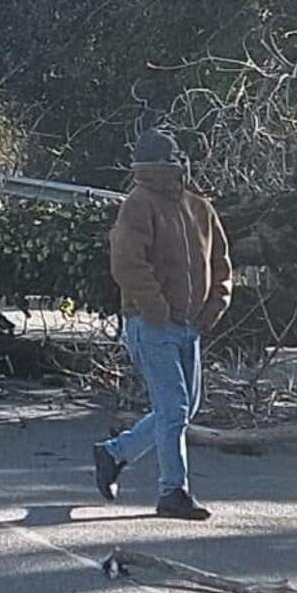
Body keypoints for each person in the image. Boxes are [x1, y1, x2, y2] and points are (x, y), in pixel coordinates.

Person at [93, 128, 232, 521]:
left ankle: (114, 453)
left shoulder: (200, 208)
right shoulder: (137, 205)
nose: (161, 173)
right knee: (174, 408)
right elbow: (126, 263)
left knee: (183, 409)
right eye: (152, 167)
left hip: (191, 325)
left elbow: (221, 262)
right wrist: (154, 307)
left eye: (167, 165)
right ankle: (173, 491)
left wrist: (215, 305)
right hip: (151, 324)